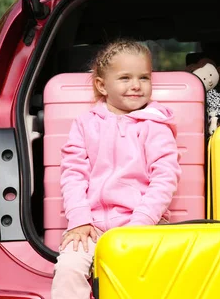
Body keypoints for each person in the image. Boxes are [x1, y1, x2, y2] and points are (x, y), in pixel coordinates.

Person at [51, 39, 181, 299]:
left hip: (142, 226)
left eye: (144, 77)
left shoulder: (155, 126)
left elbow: (165, 179)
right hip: (91, 226)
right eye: (125, 78)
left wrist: (140, 224)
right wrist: (79, 220)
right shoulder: (85, 124)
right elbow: (73, 174)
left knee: (142, 283)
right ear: (102, 85)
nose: (136, 85)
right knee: (68, 269)